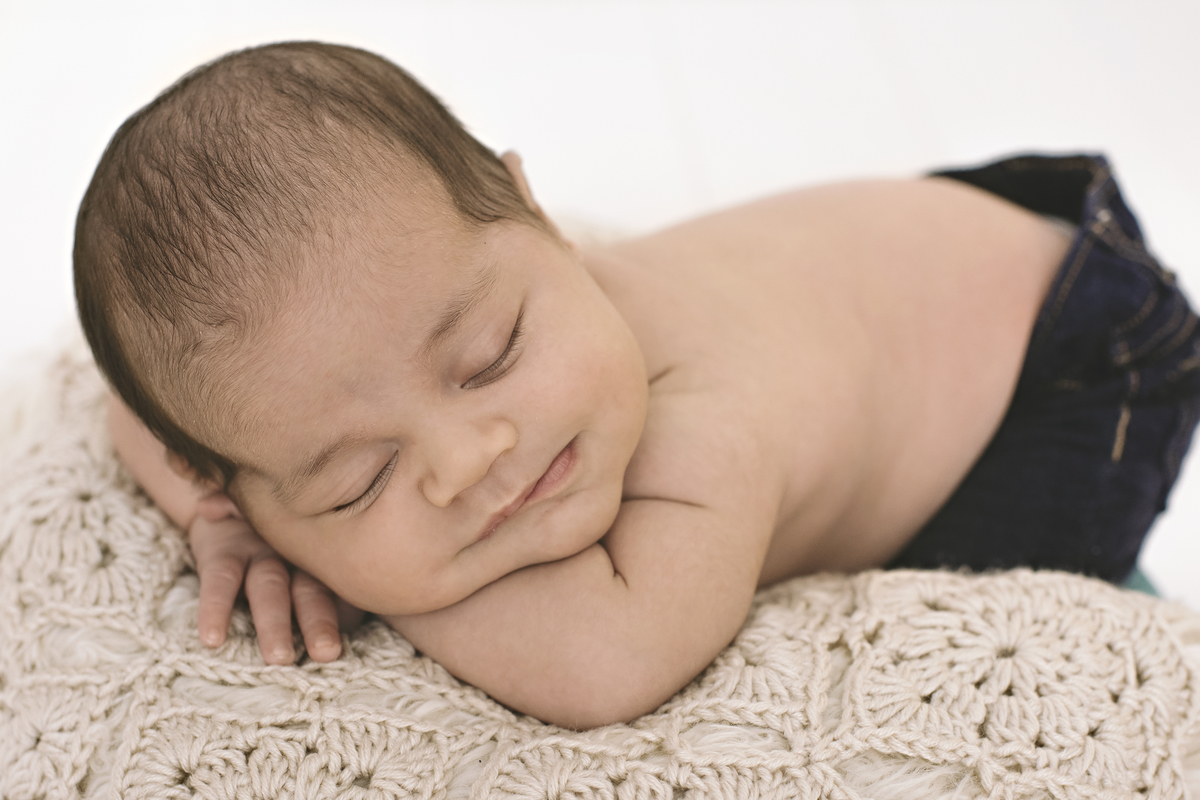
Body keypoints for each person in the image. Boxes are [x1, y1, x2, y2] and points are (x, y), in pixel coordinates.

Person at [76, 42, 1200, 730]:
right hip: (913, 259)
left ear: (540, 215)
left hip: (1070, 356)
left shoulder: (708, 424)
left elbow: (607, 662)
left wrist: (339, 548)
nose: (473, 456)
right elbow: (140, 399)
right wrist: (222, 517)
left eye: (491, 354)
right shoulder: (278, 433)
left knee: (1001, 615)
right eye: (360, 478)